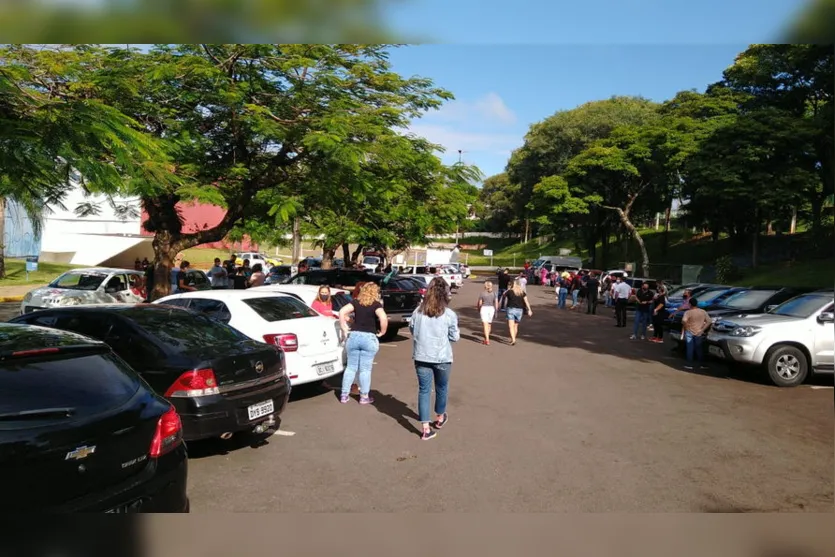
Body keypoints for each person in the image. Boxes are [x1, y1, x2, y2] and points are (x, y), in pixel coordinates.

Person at [410, 277, 460, 440]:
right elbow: (455, 336)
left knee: (424, 390)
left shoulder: (418, 311)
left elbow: (412, 330)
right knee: (441, 387)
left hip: (422, 355)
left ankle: (425, 428)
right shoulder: (449, 314)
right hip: (442, 357)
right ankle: (439, 417)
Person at [338, 282, 388, 405]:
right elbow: (383, 318)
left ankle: (344, 395)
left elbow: (342, 312)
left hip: (354, 336)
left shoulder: (355, 302)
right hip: (369, 337)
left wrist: (344, 327)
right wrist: (382, 332)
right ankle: (364, 396)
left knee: (351, 367)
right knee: (365, 369)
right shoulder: (376, 305)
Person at [681, 297, 712, 370]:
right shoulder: (703, 311)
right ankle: (701, 364)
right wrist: (702, 329)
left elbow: (684, 321)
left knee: (690, 348)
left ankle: (689, 364)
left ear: (690, 304)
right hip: (699, 332)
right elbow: (709, 321)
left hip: (690, 331)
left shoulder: (688, 312)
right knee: (699, 348)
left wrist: (687, 327)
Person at [502, 278, 533, 346]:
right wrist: (529, 309)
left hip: (511, 309)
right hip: (519, 310)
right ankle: (513, 338)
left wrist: (509, 288)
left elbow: (503, 294)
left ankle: (513, 339)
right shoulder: (522, 292)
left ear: (512, 284)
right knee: (516, 325)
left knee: (511, 326)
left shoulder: (510, 291)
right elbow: (526, 301)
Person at [477, 281, 499, 345]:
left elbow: (480, 303)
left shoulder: (482, 293)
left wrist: (478, 308)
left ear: (485, 286)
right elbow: (496, 303)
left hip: (484, 308)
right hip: (491, 309)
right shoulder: (494, 293)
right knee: (489, 324)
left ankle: (487, 339)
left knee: (485, 324)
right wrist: (496, 311)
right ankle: (487, 337)